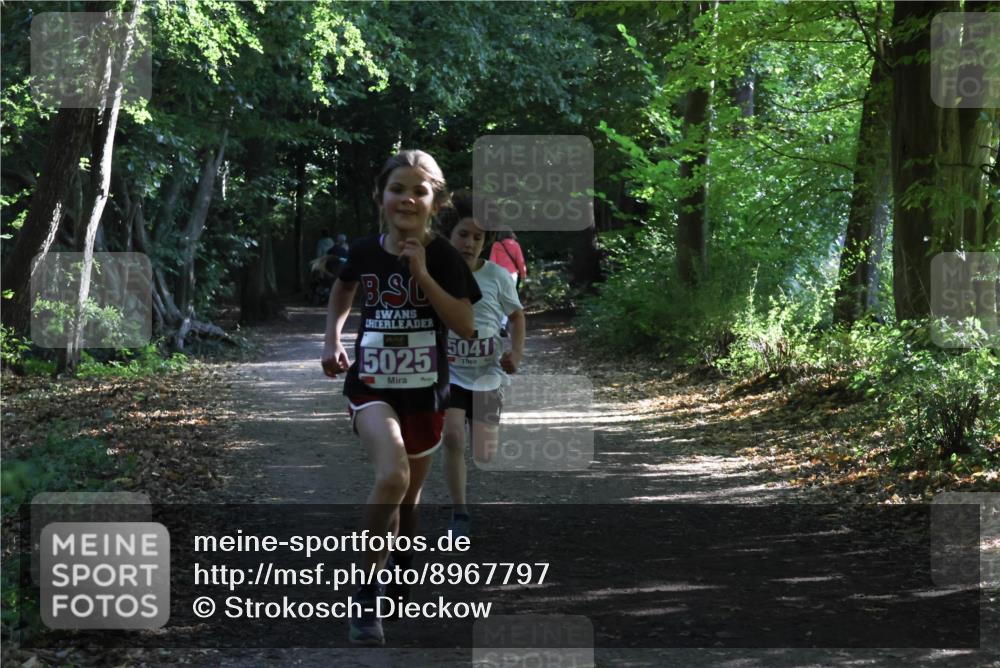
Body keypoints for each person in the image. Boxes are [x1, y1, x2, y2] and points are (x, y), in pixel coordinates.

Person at [321, 150, 480, 646]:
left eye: (419, 191)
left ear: (435, 203)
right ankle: (365, 596)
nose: (407, 198)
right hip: (371, 386)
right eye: (397, 189)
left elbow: (466, 326)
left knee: (408, 500)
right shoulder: (364, 250)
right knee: (392, 476)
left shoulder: (447, 256)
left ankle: (397, 564)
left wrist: (424, 274)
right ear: (380, 198)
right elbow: (343, 290)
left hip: (426, 393)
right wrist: (332, 339)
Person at [439, 191, 525, 539]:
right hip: (451, 373)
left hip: (488, 374)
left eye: (478, 237)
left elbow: (517, 317)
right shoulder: (436, 272)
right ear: (449, 235)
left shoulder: (497, 277)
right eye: (463, 234)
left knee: (484, 453)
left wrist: (515, 353)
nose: (470, 243)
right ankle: (459, 511)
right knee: (452, 437)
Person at [489, 227, 527, 291]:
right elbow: (520, 261)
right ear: (511, 234)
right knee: (510, 295)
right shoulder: (515, 245)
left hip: (499, 275)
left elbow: (492, 261)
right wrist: (523, 275)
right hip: (512, 275)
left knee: (499, 296)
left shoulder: (496, 245)